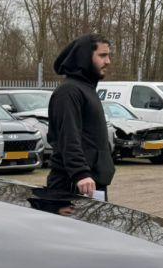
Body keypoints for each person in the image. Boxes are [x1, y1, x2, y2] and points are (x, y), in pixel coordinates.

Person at [46, 34, 114, 199]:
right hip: (75, 184)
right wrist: (80, 173)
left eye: (108, 56)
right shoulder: (69, 91)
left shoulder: (87, 89)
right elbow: (68, 136)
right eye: (102, 55)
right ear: (85, 57)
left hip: (91, 183)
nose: (108, 61)